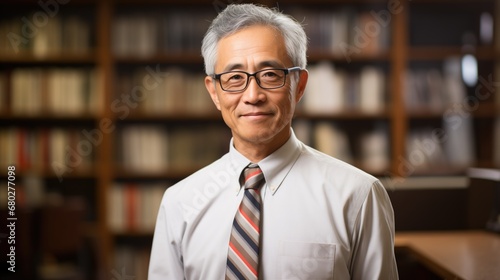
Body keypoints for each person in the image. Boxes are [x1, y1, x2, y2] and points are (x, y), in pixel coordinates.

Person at [148, 3, 398, 279]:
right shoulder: (180, 202)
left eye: (270, 75)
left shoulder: (358, 196)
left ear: (299, 85)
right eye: (234, 78)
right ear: (214, 92)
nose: (253, 95)